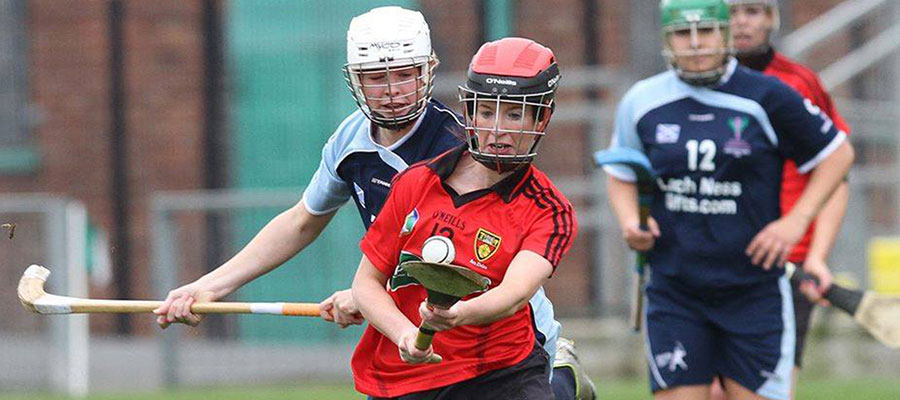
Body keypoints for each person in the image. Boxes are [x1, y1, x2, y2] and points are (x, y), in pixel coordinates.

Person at [152, 7, 594, 399]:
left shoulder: (465, 145)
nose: (391, 90)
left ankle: (560, 376)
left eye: (404, 74)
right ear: (355, 80)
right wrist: (211, 285)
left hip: (498, 326)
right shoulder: (349, 142)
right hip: (412, 327)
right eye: (376, 77)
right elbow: (303, 222)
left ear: (429, 71)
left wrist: (367, 295)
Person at [602, 1, 854, 399]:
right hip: (675, 291)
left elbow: (838, 154)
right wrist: (631, 222)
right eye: (684, 34)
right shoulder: (642, 100)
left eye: (707, 32)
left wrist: (796, 222)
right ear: (668, 39)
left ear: (725, 34)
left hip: (754, 292)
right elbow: (620, 173)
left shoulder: (768, 95)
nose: (697, 44)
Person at [351, 37, 576, 399]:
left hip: (500, 371)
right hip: (407, 375)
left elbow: (514, 294)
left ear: (541, 118)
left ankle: (562, 384)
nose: (498, 129)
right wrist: (404, 334)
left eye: (514, 114)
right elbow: (366, 284)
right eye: (486, 112)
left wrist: (459, 315)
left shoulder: (549, 209)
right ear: (469, 112)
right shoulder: (415, 183)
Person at [707, 1, 853, 399]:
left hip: (784, 263)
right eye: (731, 11)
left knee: (768, 390)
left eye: (753, 10)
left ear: (772, 18)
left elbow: (837, 172)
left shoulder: (798, 83)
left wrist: (817, 257)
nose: (741, 21)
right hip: (710, 262)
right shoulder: (690, 86)